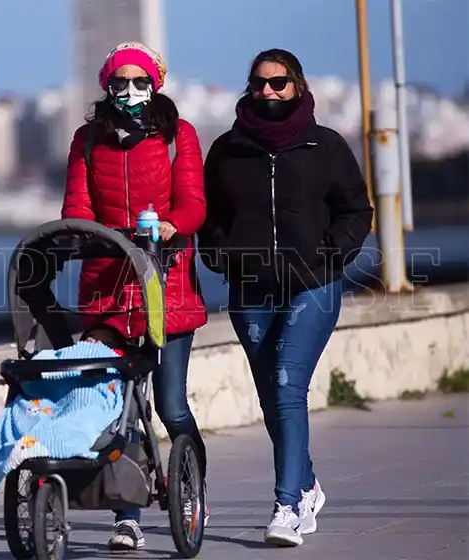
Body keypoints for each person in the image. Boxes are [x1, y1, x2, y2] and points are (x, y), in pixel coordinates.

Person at [197, 48, 374, 547]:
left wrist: (330, 254)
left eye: (278, 84)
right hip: (251, 291)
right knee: (272, 395)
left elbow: (356, 210)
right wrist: (220, 254)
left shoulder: (326, 146)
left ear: (297, 86)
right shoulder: (228, 150)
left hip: (313, 285)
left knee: (287, 383)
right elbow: (209, 217)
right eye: (259, 84)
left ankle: (288, 505)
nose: (268, 92)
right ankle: (308, 483)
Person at [61, 41, 209, 552]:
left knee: (169, 406)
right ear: (106, 86)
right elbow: (76, 207)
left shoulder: (178, 135)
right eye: (119, 83)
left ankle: (191, 489)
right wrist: (84, 235)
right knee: (117, 406)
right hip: (106, 288)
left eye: (139, 82)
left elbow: (194, 204)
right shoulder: (86, 140)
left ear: (155, 84)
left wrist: (170, 225)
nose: (129, 91)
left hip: (165, 285)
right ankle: (126, 516)